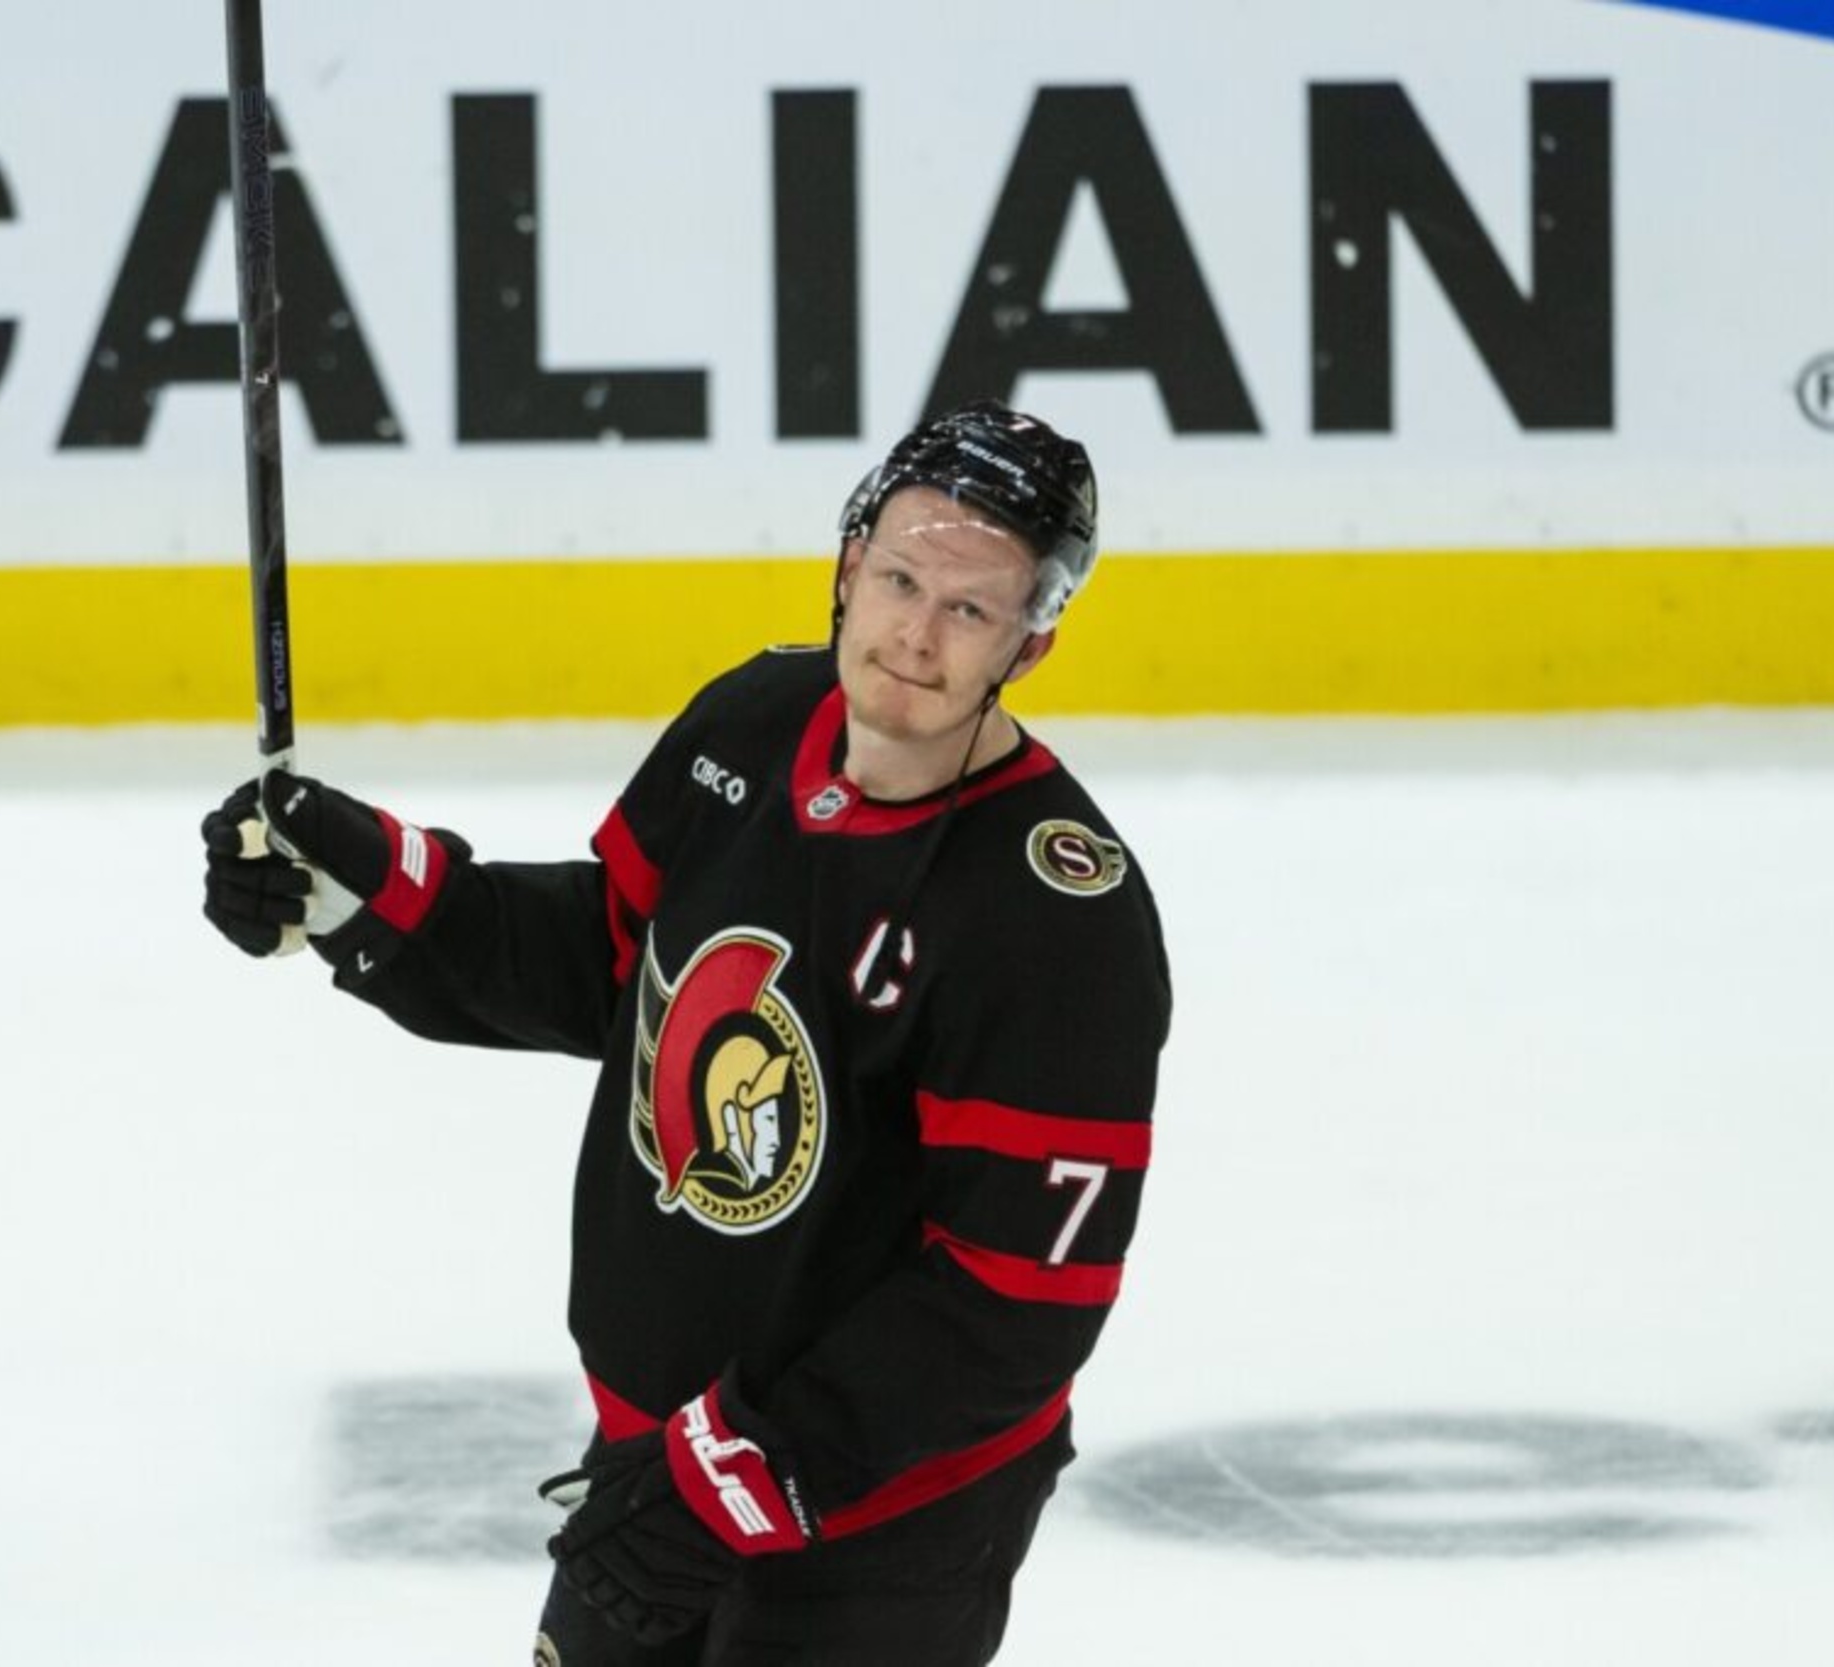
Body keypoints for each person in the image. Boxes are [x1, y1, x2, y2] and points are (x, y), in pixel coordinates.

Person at [201, 400, 1172, 1665]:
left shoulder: (1055, 916)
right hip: (657, 1457)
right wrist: (378, 893)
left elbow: (1014, 1298)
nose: (916, 635)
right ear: (849, 563)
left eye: (970, 609)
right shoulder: (753, 721)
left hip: (875, 1522)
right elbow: (617, 961)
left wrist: (751, 1463)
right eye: (899, 580)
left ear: (1029, 644)